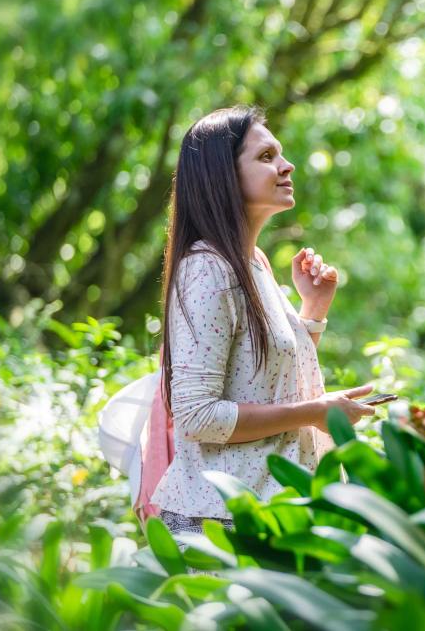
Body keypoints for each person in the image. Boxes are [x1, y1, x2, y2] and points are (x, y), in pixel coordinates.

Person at [143, 105, 378, 537]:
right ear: (223, 177)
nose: (287, 165)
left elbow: (264, 380)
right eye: (266, 157)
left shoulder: (253, 263)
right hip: (226, 527)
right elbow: (197, 417)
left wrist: (313, 310)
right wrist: (315, 411)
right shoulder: (208, 269)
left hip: (275, 514)